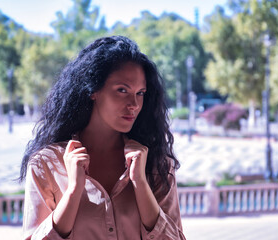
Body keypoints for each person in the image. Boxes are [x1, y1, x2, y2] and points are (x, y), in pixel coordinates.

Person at [20, 35, 186, 240]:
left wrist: (141, 184)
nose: (134, 104)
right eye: (122, 90)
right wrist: (73, 191)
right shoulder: (47, 164)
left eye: (140, 93)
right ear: (93, 91)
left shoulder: (156, 163)